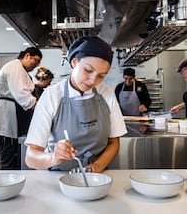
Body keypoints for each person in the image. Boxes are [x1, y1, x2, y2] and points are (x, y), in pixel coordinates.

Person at [24, 36, 127, 173]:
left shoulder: (106, 93)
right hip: (57, 177)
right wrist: (54, 157)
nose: (92, 80)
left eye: (101, 75)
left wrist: (98, 166)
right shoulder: (52, 96)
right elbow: (31, 157)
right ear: (74, 62)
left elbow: (114, 142)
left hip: (96, 176)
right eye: (88, 71)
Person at [0, 47, 42, 169]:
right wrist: (42, 110)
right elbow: (22, 95)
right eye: (36, 60)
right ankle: (7, 184)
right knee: (8, 156)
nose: (36, 65)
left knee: (13, 154)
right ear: (27, 55)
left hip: (11, 114)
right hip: (7, 116)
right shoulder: (15, 67)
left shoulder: (21, 70)